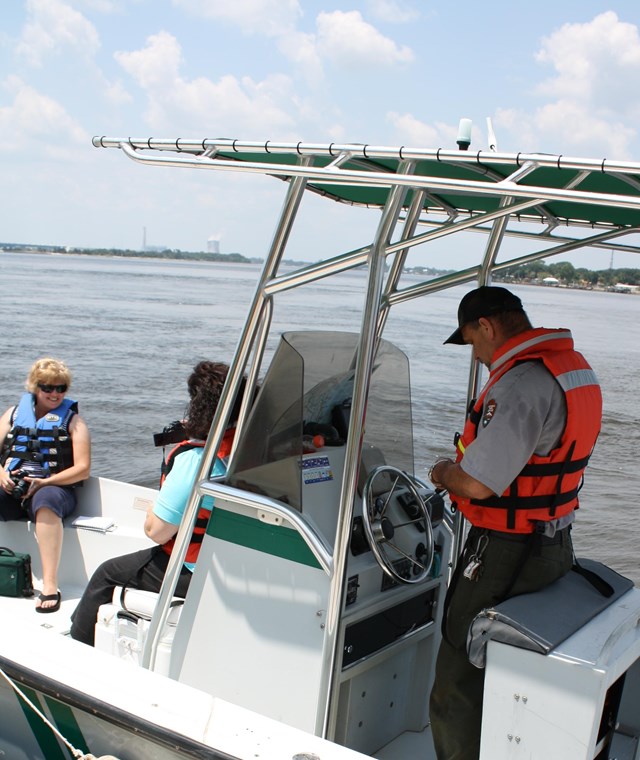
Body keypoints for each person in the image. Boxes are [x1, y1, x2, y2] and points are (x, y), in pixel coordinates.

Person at [427, 286, 602, 760]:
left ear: (487, 326)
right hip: (553, 544)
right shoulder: (572, 369)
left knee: (459, 676)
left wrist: (442, 472)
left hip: (504, 552)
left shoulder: (520, 384)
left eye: (473, 343)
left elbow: (479, 485)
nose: (479, 358)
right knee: (513, 668)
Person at [70, 360, 246, 646]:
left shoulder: (195, 462)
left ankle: (78, 651)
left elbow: (157, 531)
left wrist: (153, 510)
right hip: (235, 563)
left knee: (106, 574)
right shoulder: (252, 450)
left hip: (195, 570)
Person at [0, 358, 91, 612]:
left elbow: (83, 468)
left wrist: (45, 482)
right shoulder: (13, 414)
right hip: (14, 486)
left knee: (47, 501)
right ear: (34, 387)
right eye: (48, 387)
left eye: (61, 388)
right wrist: (2, 475)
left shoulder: (74, 422)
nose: (54, 394)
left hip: (54, 486)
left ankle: (50, 584)